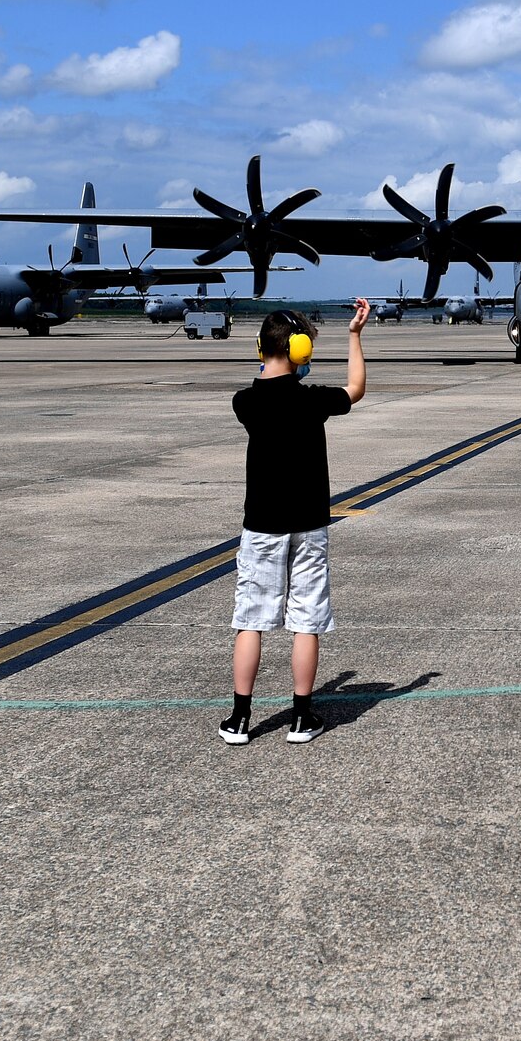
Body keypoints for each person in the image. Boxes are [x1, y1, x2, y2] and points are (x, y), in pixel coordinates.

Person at [220, 301, 369, 744]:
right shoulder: (313, 401)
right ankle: (302, 718)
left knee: (251, 620)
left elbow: (264, 386)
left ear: (260, 348)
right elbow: (356, 388)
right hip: (308, 526)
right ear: (302, 351)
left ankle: (240, 718)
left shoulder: (244, 402)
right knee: (306, 620)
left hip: (261, 527)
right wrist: (355, 335)